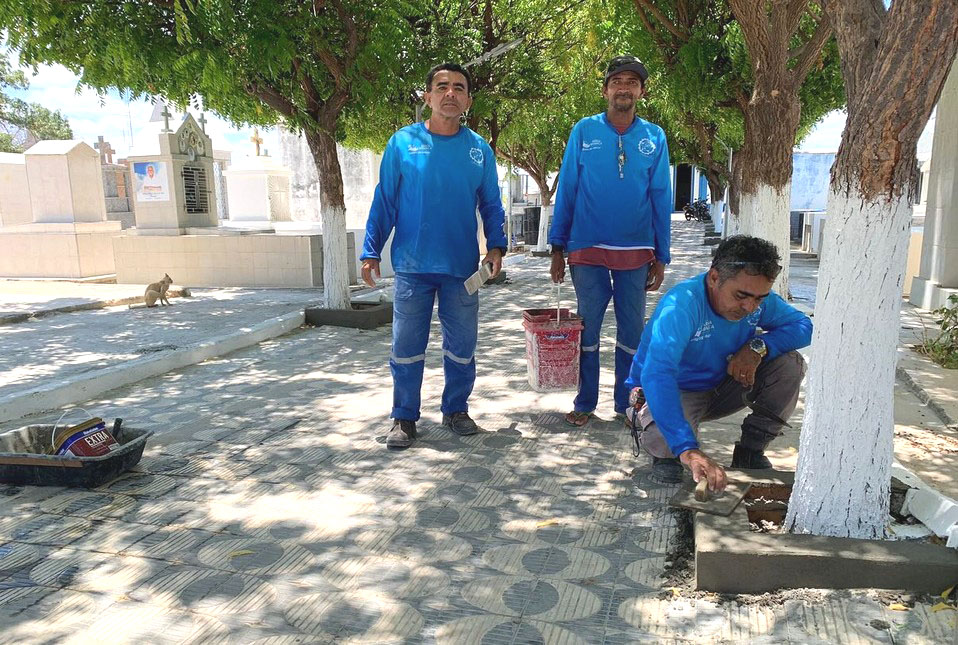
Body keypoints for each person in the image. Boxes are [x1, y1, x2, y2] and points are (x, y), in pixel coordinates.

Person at [360, 62, 507, 450]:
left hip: (461, 269)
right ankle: (404, 418)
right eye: (441, 86)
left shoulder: (479, 150)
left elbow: (492, 204)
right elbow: (385, 201)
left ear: (468, 100)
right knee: (406, 349)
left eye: (458, 87)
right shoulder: (402, 144)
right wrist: (371, 250)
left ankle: (456, 409)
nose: (450, 93)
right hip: (412, 267)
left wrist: (496, 246)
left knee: (462, 347)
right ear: (427, 96)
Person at [625, 235, 812, 490]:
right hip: (677, 389)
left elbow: (804, 326)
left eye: (759, 298)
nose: (750, 307)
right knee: (670, 444)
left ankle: (751, 451)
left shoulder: (757, 301)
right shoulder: (681, 305)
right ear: (714, 278)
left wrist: (758, 347)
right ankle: (665, 453)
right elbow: (657, 375)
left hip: (725, 383)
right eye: (741, 296)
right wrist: (688, 449)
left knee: (790, 363)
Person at [548, 55, 673, 427]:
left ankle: (627, 403)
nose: (624, 87)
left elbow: (661, 196)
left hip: (636, 251)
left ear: (641, 92)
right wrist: (558, 247)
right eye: (617, 81)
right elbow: (567, 188)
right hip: (586, 248)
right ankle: (585, 401)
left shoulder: (654, 137)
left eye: (632, 82)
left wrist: (662, 255)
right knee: (587, 327)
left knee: (632, 331)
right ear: (605, 90)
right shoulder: (584, 131)